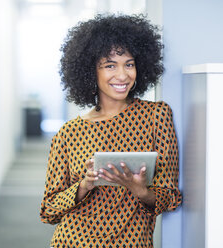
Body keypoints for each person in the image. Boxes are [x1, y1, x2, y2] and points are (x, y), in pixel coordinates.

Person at [40, 14, 182, 248]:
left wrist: (141, 191)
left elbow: (171, 196)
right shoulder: (69, 133)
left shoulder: (157, 116)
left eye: (129, 64)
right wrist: (83, 186)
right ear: (89, 71)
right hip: (73, 241)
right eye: (109, 65)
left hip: (132, 242)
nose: (122, 75)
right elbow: (49, 211)